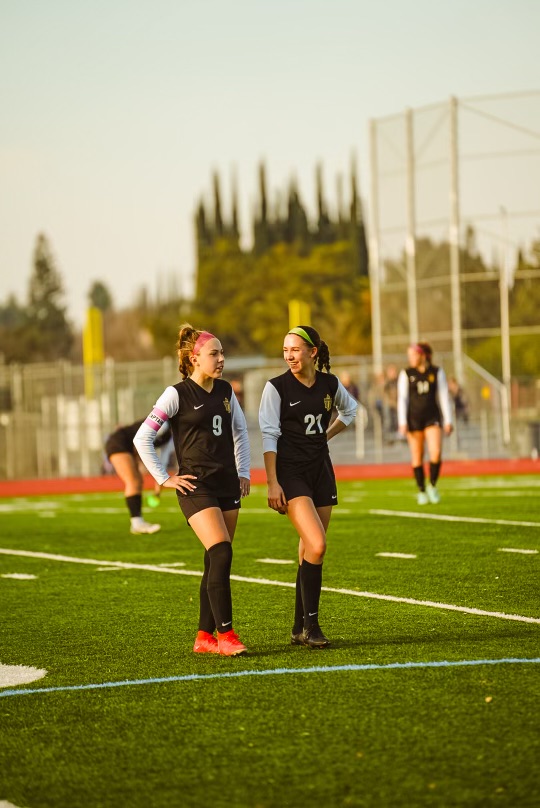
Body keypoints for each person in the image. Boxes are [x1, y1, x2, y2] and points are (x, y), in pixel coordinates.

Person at [134, 324, 251, 657]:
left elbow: (240, 432)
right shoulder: (176, 394)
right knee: (221, 552)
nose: (221, 359)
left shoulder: (226, 391)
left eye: (222, 353)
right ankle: (226, 635)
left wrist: (243, 472)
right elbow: (142, 438)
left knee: (214, 559)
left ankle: (204, 636)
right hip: (195, 486)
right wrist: (163, 477)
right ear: (194, 358)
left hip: (227, 483)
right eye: (214, 354)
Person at [259, 325, 358, 648]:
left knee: (308, 549)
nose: (289, 355)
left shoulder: (329, 383)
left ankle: (298, 627)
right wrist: (273, 482)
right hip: (291, 473)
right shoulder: (276, 388)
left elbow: (351, 411)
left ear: (313, 352)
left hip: (321, 471)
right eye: (285, 350)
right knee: (316, 545)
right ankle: (312, 627)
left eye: (295, 349)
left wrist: (325, 436)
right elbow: (269, 436)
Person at [397, 342, 453, 505]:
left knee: (435, 452)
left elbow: (443, 397)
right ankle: (421, 490)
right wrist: (402, 422)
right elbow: (403, 399)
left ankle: (432, 485)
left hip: (432, 417)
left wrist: (448, 420)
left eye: (413, 355)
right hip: (413, 420)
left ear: (422, 355)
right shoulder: (406, 373)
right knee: (417, 457)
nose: (410, 358)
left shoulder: (436, 372)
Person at [104, 419, 171, 534]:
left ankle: (137, 523)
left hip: (132, 446)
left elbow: (163, 460)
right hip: (120, 442)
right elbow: (142, 440)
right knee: (133, 481)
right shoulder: (164, 425)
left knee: (138, 481)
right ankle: (137, 524)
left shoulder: (170, 436)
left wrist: (160, 483)